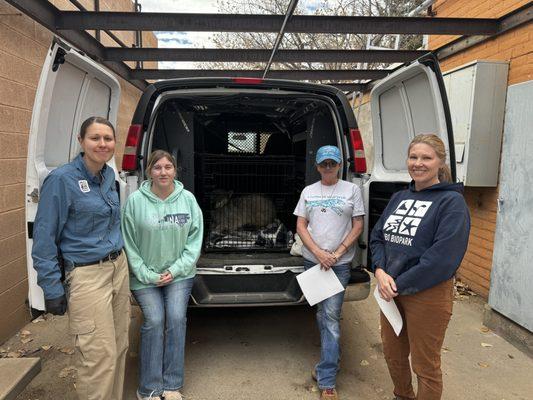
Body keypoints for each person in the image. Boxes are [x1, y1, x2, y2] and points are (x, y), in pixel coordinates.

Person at [32, 116, 129, 400]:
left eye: (108, 138)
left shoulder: (109, 176)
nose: (102, 144)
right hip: (87, 276)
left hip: (117, 267)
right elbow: (44, 238)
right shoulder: (61, 180)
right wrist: (51, 287)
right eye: (95, 138)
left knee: (120, 348)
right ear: (81, 141)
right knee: (98, 358)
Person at [370, 134, 471, 400]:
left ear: (440, 162)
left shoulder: (452, 203)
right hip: (389, 289)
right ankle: (402, 395)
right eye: (413, 157)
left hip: (426, 293)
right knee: (393, 354)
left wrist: (398, 284)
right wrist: (380, 271)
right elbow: (377, 236)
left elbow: (442, 258)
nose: (418, 163)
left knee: (425, 365)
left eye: (426, 157)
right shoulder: (399, 197)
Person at [122, 150, 203, 400]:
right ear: (149, 172)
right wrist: (146, 274)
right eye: (157, 167)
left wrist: (174, 270)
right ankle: (149, 388)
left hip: (178, 275)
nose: (163, 172)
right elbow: (129, 243)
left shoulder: (187, 199)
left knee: (176, 318)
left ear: (175, 171)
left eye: (168, 167)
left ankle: (172, 385)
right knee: (155, 321)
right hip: (145, 276)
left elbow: (195, 240)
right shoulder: (135, 201)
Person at [294, 145, 365, 400]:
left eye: (332, 164)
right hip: (313, 261)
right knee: (323, 314)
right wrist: (318, 252)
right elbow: (301, 224)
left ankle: (327, 381)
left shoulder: (352, 189)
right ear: (317, 166)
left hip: (340, 262)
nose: (327, 168)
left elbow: (358, 224)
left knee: (331, 316)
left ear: (339, 165)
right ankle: (331, 358)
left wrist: (338, 252)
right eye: (323, 164)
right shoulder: (308, 191)